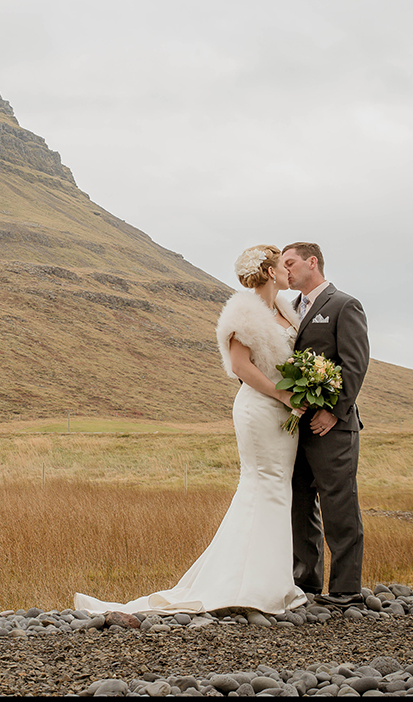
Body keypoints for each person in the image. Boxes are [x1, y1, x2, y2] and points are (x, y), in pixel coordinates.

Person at [73, 244, 308, 616]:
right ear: (268, 271)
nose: (287, 271)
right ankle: (252, 587)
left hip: (284, 414)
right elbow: (240, 366)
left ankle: (267, 580)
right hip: (260, 409)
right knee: (262, 484)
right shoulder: (244, 311)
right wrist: (281, 393)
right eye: (282, 265)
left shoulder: (285, 310)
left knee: (278, 487)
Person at [280, 242, 369, 608]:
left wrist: (334, 411)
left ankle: (347, 589)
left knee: (338, 504)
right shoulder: (286, 309)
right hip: (297, 425)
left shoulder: (344, 305)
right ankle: (306, 583)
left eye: (290, 262)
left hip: (333, 426)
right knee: (299, 504)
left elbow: (354, 363)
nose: (284, 270)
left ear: (312, 262)